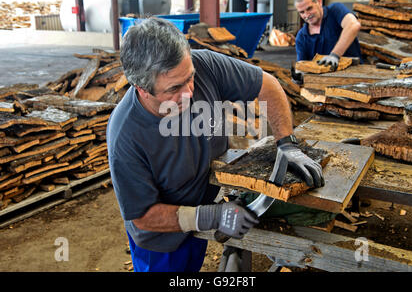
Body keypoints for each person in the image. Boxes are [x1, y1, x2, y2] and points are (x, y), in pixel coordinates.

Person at [106, 16, 324, 272]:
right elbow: (144, 217)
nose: (188, 92)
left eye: (189, 78)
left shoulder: (204, 64)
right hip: (161, 241)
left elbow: (269, 86)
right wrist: (213, 216)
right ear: (141, 88)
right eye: (174, 88)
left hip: (200, 210)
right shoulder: (125, 135)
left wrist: (287, 144)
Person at [294, 0, 362, 70]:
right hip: (323, 81)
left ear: (319, 1)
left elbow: (353, 25)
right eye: (302, 12)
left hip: (354, 75)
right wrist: (298, 74)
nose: (307, 15)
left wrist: (335, 55)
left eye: (309, 8)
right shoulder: (301, 37)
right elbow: (302, 66)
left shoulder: (335, 10)